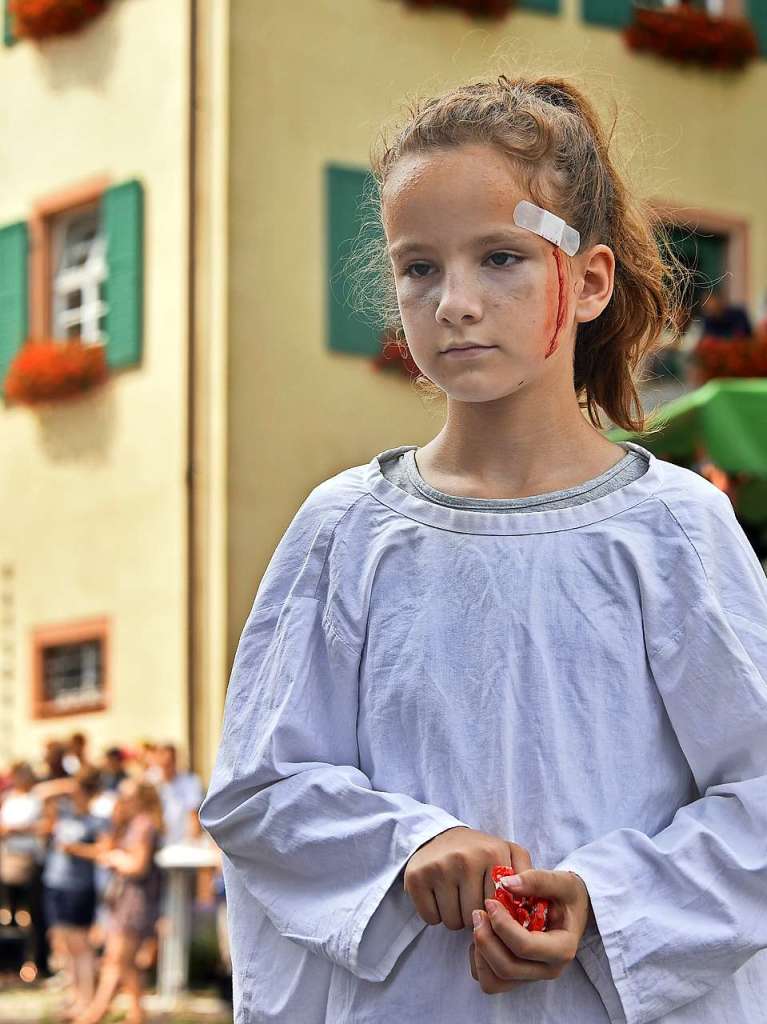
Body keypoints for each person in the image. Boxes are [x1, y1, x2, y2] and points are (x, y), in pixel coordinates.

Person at [198, 74, 767, 1022]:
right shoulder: (345, 529)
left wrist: (604, 902)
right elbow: (259, 790)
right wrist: (406, 849)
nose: (454, 301)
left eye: (501, 257)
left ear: (586, 281)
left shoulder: (674, 530)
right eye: (418, 267)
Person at [73, 779, 164, 1024]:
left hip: (136, 899)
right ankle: (109, 1013)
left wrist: (115, 858)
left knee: (121, 960)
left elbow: (138, 866)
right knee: (116, 960)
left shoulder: (145, 825)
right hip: (124, 899)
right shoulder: (132, 824)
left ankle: (123, 1015)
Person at [37, 767, 105, 1020]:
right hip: (56, 883)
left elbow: (102, 850)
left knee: (81, 946)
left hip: (79, 887)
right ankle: (75, 997)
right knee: (65, 944)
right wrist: (67, 785)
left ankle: (86, 1000)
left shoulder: (95, 820)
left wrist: (76, 849)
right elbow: (39, 794)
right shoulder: (64, 814)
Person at [0, 761, 49, 979]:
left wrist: (19, 830)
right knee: (9, 915)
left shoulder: (38, 799)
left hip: (31, 862)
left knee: (35, 915)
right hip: (10, 861)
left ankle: (37, 961)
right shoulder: (9, 799)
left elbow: (45, 827)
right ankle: (11, 961)